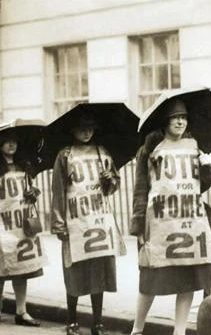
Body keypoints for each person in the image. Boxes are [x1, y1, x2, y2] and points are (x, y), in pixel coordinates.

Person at [129, 98, 211, 335]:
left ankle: (179, 332)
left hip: (190, 221)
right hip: (160, 222)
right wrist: (139, 226)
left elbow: (200, 184)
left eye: (184, 117)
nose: (181, 121)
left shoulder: (194, 147)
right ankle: (137, 329)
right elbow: (141, 189)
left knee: (189, 278)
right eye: (175, 117)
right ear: (166, 121)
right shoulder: (150, 150)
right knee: (151, 278)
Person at [51, 113, 122, 335]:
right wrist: (59, 223)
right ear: (73, 130)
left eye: (90, 127)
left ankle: (97, 322)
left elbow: (113, 187)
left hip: (99, 219)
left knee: (98, 273)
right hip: (75, 221)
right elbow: (58, 190)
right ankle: (72, 321)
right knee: (74, 272)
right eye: (82, 128)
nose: (86, 132)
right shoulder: (65, 156)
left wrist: (110, 179)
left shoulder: (102, 152)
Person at [0, 130, 44, 327]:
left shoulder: (24, 166)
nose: (11, 145)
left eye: (14, 141)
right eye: (6, 141)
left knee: (21, 269)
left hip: (21, 224)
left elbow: (30, 191)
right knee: (0, 269)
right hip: (2, 223)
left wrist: (33, 193)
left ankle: (21, 311)